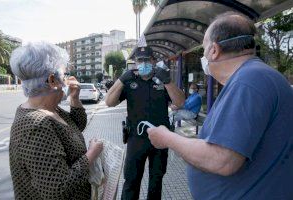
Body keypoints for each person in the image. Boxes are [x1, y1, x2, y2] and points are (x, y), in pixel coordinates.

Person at [147, 12, 293, 200]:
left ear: (214, 50)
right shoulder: (253, 76)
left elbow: (222, 160)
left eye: (204, 49)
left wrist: (167, 138)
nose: (203, 57)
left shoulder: (248, 81)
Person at [9, 42, 103, 199]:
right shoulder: (35, 125)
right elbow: (58, 189)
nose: (68, 80)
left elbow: (77, 125)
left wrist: (74, 98)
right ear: (52, 80)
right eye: (64, 75)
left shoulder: (51, 109)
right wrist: (92, 154)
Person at [105, 46, 185, 200]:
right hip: (136, 139)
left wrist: (167, 81)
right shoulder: (129, 81)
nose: (143, 63)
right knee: (131, 181)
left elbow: (180, 102)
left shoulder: (162, 80)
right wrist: (122, 79)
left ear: (153, 61)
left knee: (156, 181)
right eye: (139, 60)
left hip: (161, 139)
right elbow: (109, 102)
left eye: (146, 59)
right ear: (135, 63)